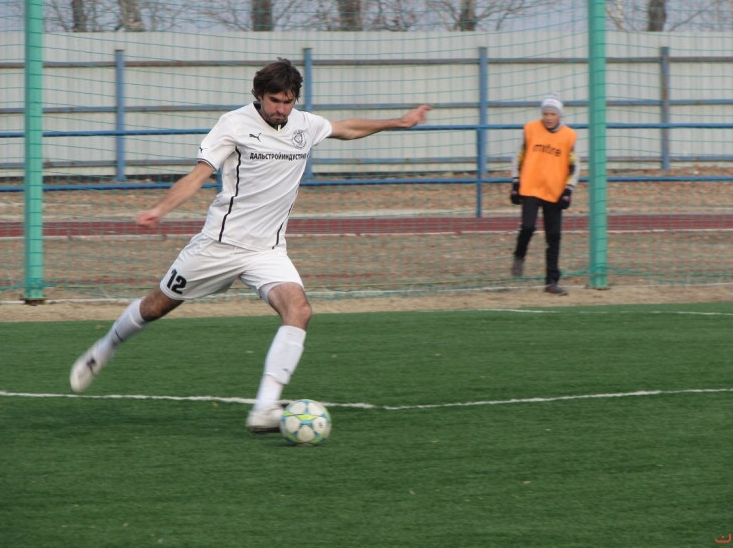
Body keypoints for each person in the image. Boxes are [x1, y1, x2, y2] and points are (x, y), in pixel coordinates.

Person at [69, 58, 431, 432]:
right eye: (274, 100)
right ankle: (104, 348)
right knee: (155, 306)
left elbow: (347, 128)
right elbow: (198, 176)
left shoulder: (305, 125)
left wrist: (400, 122)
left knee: (299, 310)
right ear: (259, 95)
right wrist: (160, 209)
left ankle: (264, 408)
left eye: (288, 101)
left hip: (268, 251)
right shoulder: (234, 124)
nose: (281, 109)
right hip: (219, 246)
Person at [509, 93, 580, 295]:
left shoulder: (568, 136)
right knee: (528, 227)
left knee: (554, 236)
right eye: (545, 113)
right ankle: (519, 255)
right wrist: (515, 182)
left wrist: (568, 189)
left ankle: (551, 281)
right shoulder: (530, 130)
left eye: (552, 114)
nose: (548, 117)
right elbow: (518, 157)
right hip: (530, 187)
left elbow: (575, 166)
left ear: (559, 115)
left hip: (554, 192)